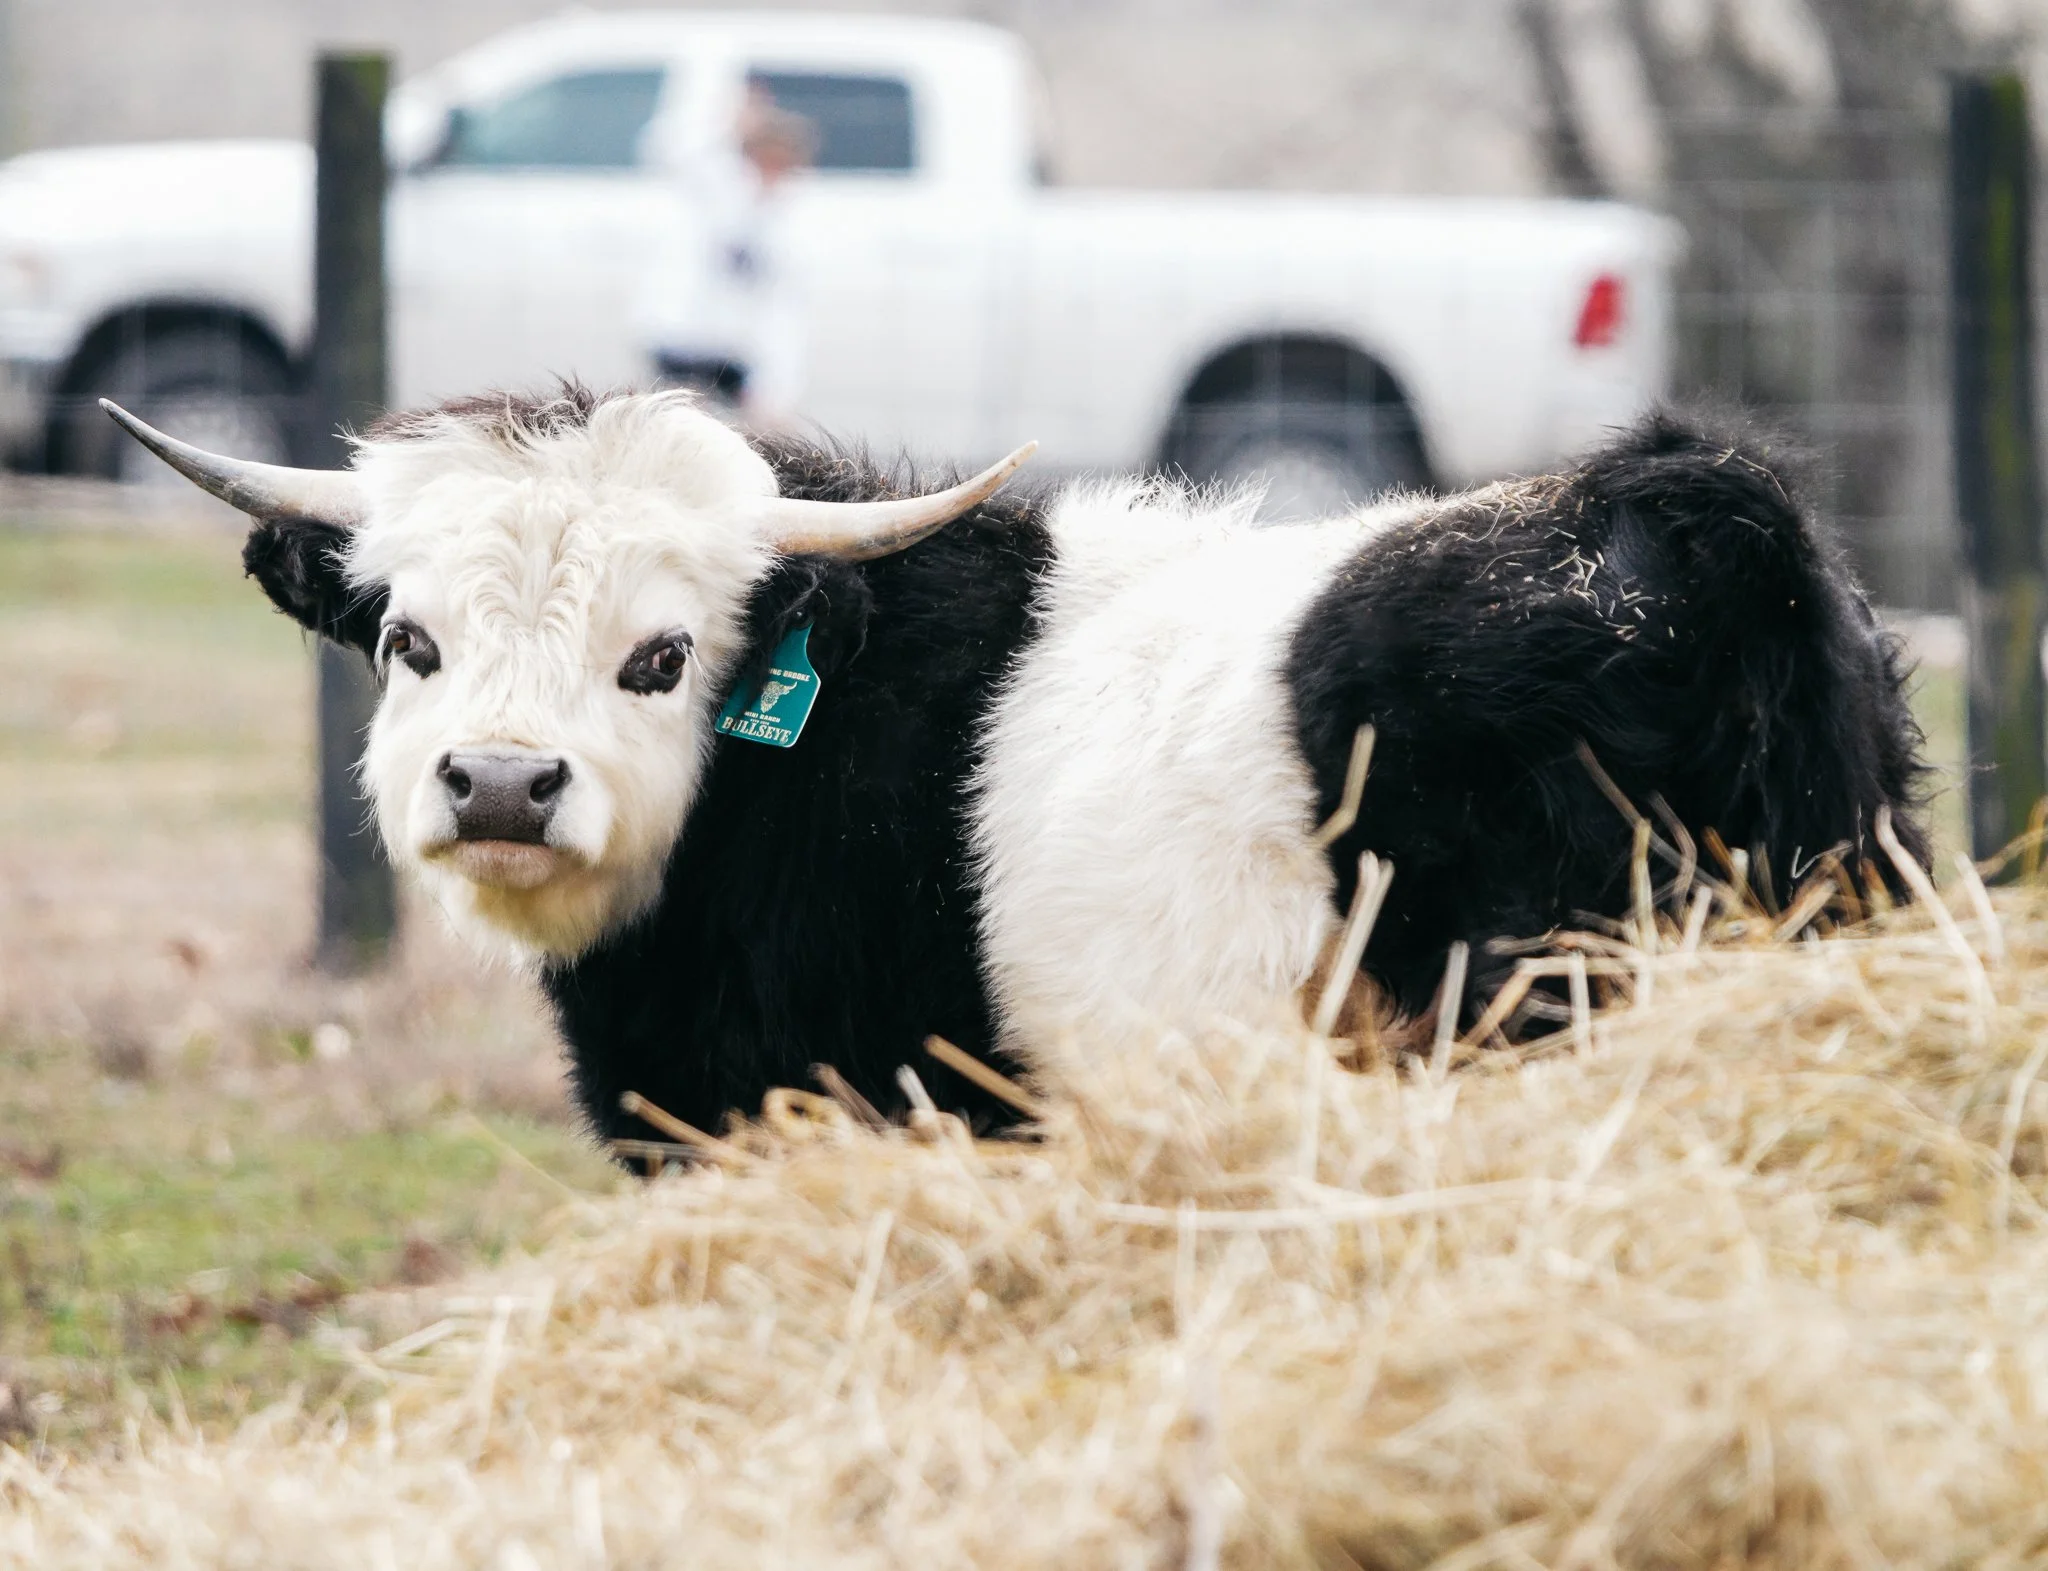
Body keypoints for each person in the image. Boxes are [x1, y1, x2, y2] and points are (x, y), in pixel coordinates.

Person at [643, 82, 816, 429]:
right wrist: (725, 126)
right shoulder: (716, 191)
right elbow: (670, 151)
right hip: (682, 341)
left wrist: (775, 390)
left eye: (781, 164)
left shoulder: (794, 224)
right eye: (763, 160)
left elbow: (786, 312)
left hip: (738, 356)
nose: (770, 172)